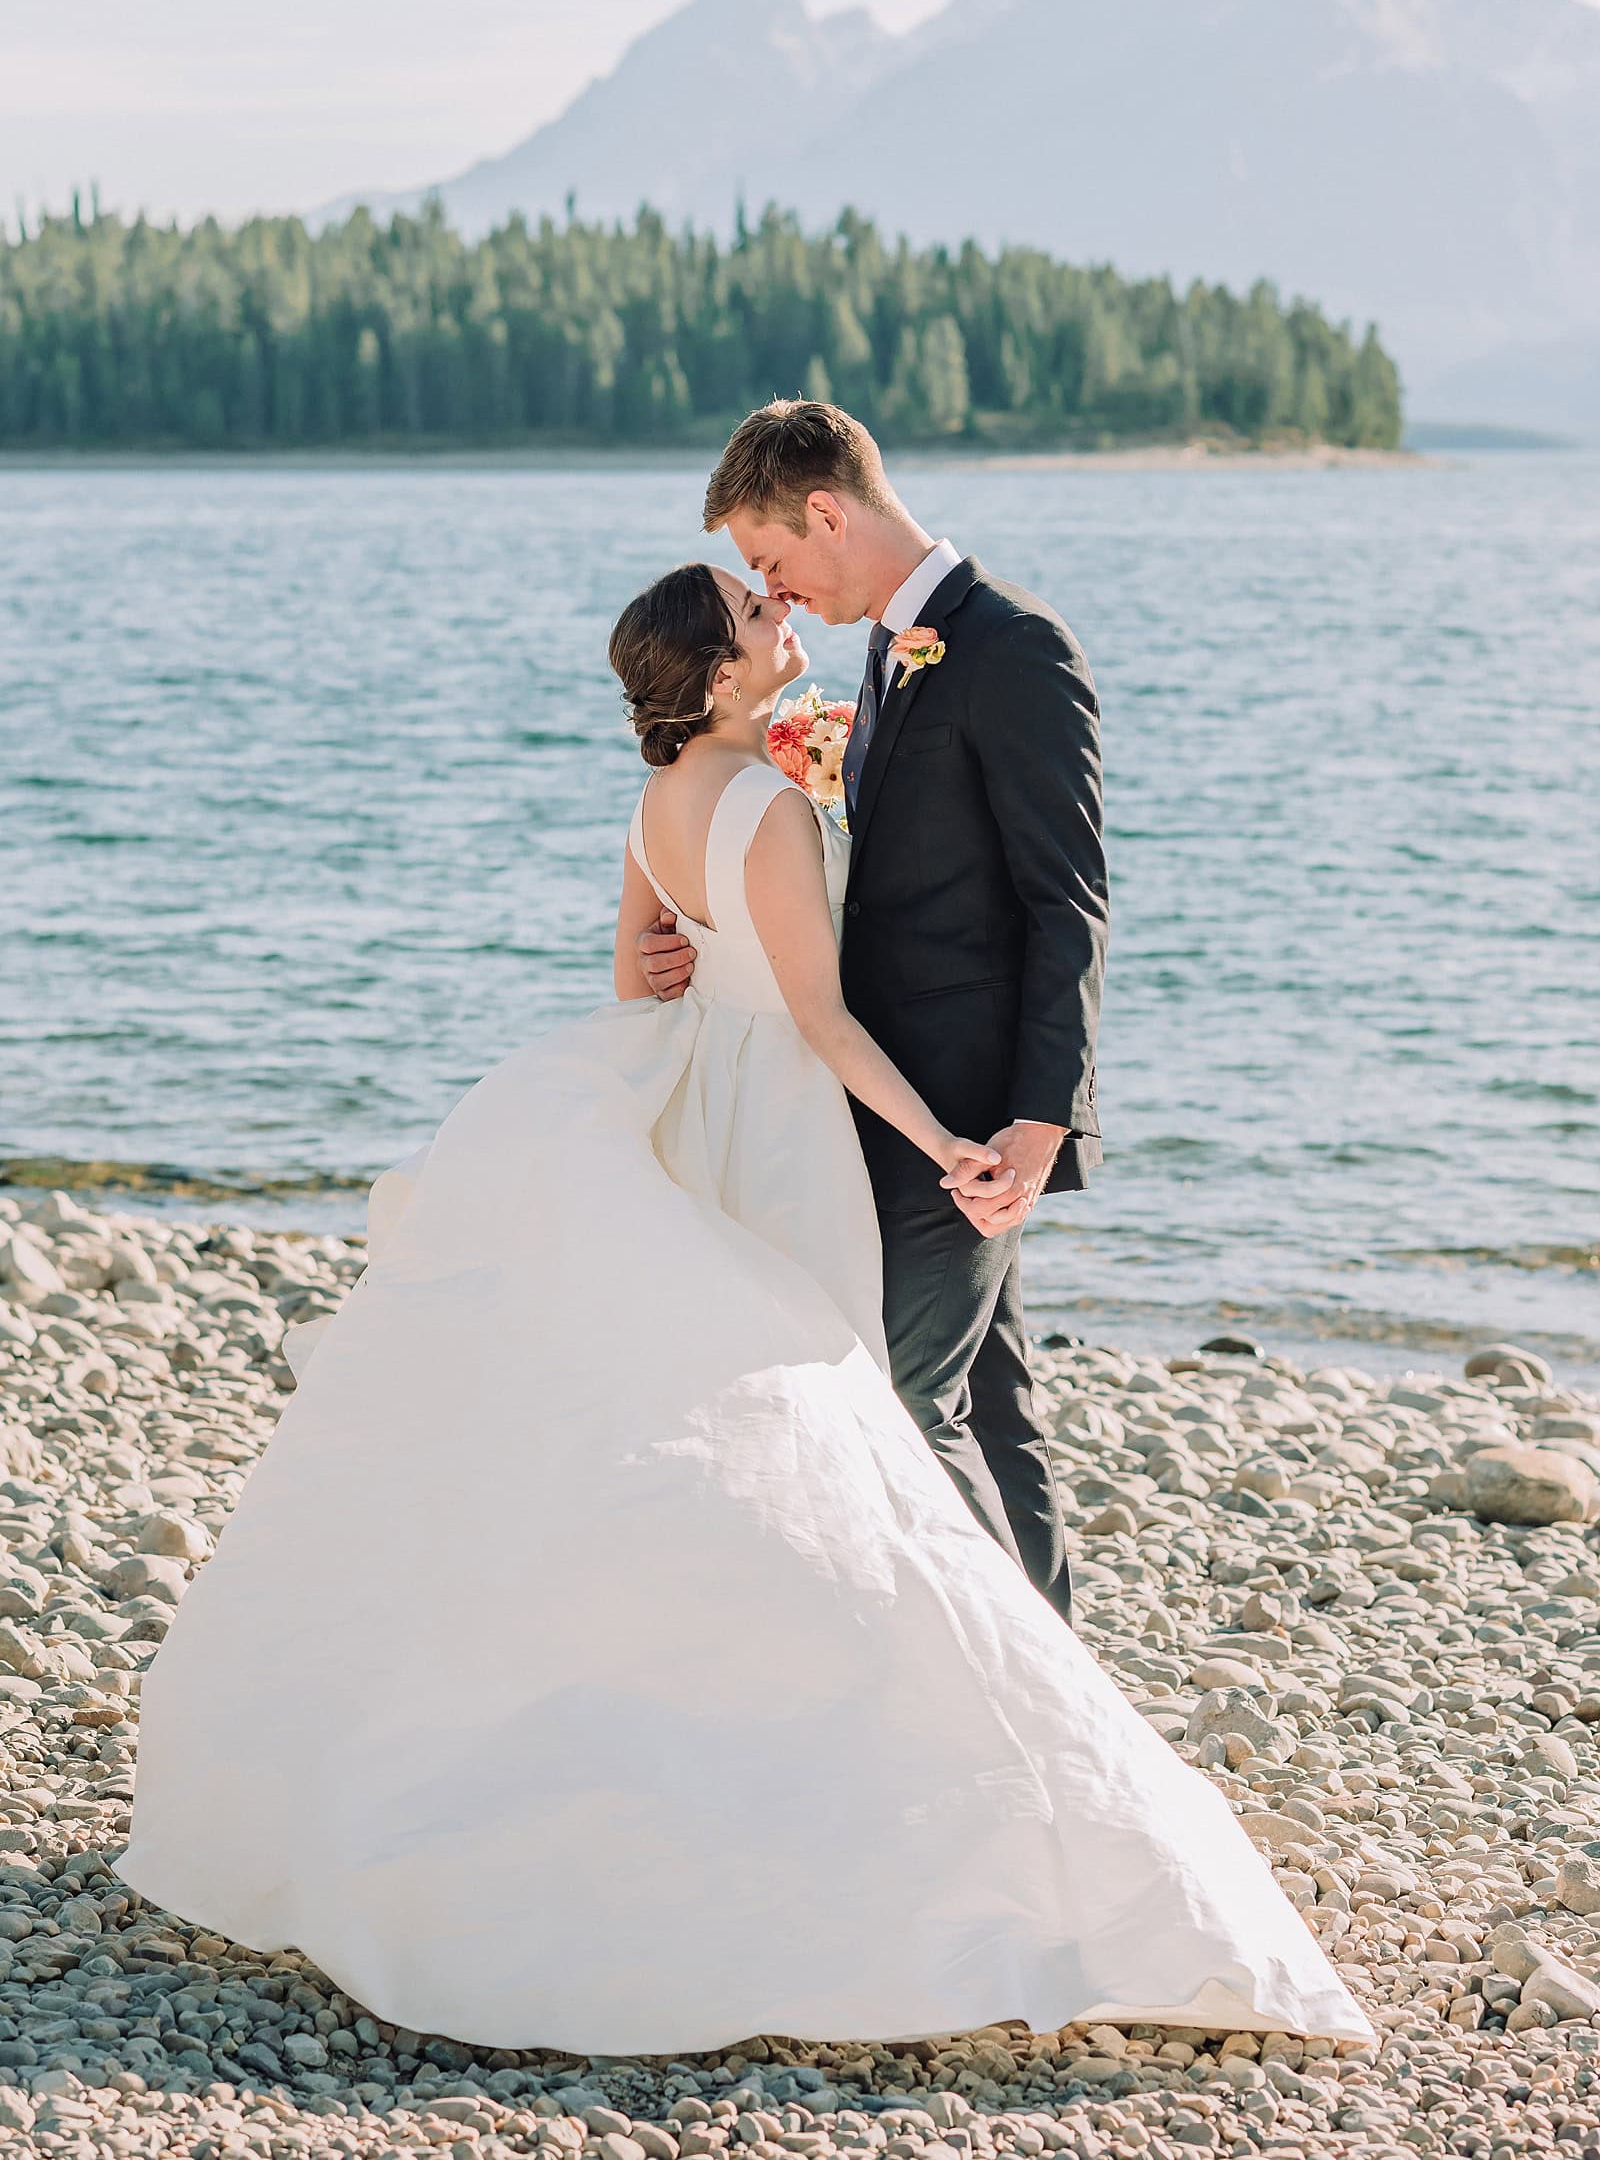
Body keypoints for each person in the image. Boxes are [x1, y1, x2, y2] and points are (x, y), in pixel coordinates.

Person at [118, 556, 1368, 2057]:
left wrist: (696, 936)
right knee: (815, 1441)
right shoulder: (771, 809)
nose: (790, 627)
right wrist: (952, 1141)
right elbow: (827, 1021)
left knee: (712, 1447)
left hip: (688, 1106)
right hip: (780, 1127)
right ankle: (863, 1767)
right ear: (717, 674)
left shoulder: (654, 799)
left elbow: (646, 984)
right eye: (764, 620)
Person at [640, 401, 1105, 1622]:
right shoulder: (885, 646)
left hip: (964, 1109)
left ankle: (1010, 1687)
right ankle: (1058, 1679)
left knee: (908, 1392)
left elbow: (1069, 907)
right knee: (986, 1399)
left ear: (828, 512)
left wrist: (1039, 1120)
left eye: (773, 559)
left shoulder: (1013, 647)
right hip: (881, 1099)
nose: (774, 591)